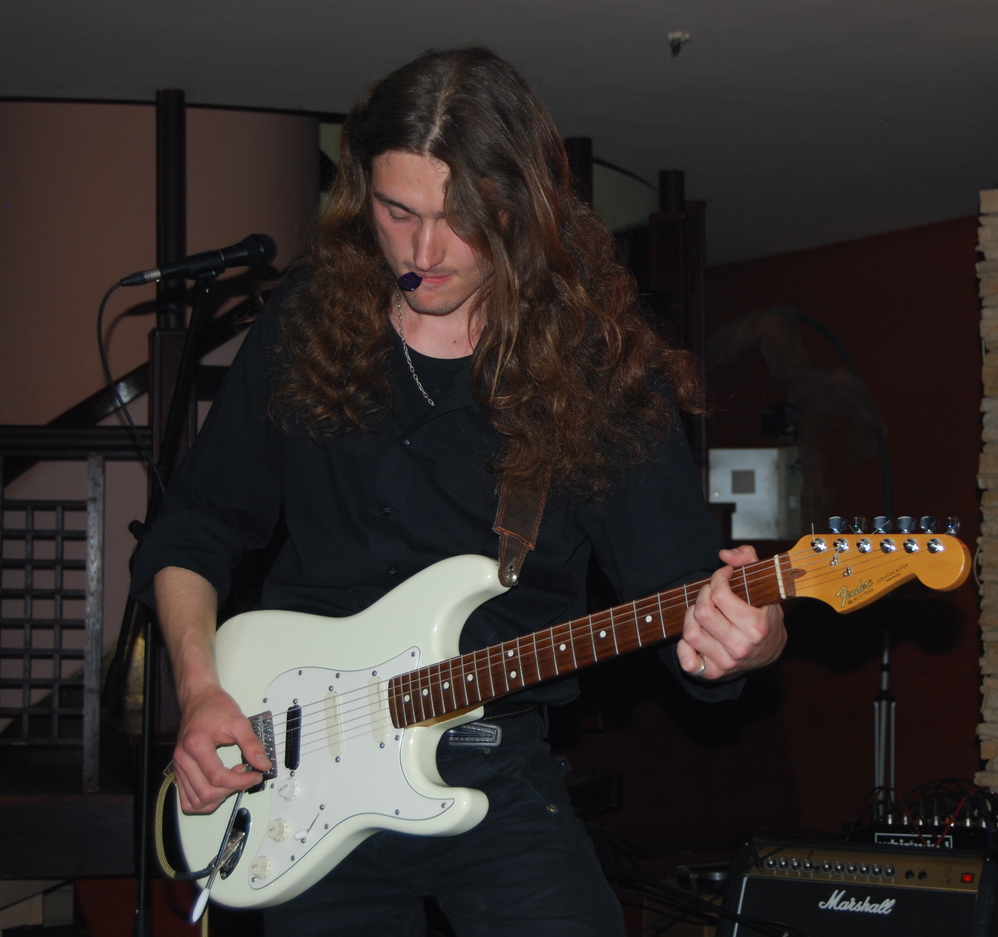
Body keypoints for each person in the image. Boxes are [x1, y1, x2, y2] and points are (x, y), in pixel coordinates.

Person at [130, 46, 786, 936]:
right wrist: (200, 687)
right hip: (295, 773)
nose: (423, 252)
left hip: (492, 765)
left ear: (521, 207)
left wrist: (747, 642)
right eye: (397, 211)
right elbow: (196, 524)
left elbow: (681, 598)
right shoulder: (305, 319)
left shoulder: (598, 374)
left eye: (460, 219)